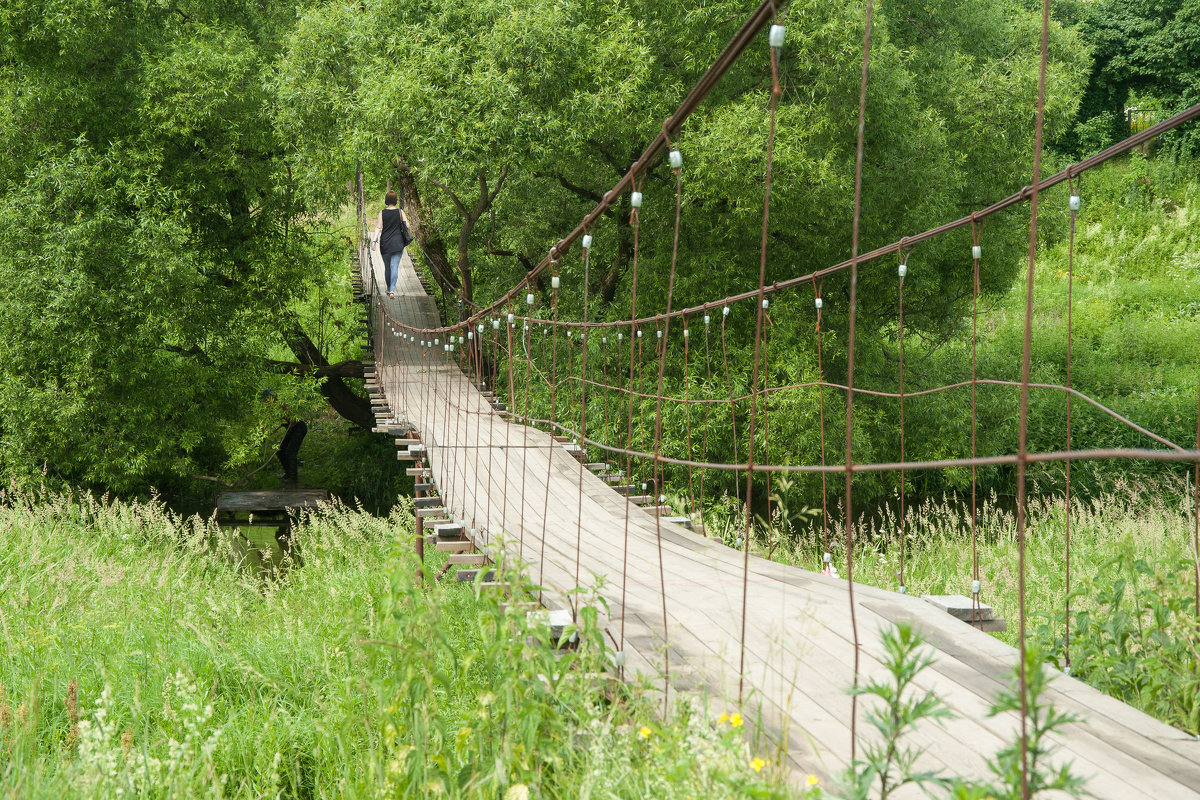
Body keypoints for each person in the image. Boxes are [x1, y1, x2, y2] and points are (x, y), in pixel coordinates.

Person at [372, 189, 410, 299]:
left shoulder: (382, 213)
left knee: (387, 267)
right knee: (394, 266)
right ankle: (392, 290)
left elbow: (378, 227)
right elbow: (407, 225)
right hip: (398, 243)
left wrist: (374, 241)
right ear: (396, 200)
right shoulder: (400, 212)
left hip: (385, 243)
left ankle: (389, 289)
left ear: (386, 200)